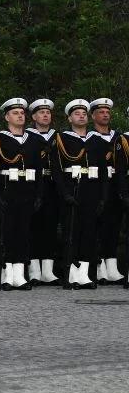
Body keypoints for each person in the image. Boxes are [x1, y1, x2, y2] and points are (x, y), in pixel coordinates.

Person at [0, 98, 43, 290]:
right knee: (6, 233)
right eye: (15, 113)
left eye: (22, 113)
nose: (20, 116)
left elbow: (39, 171)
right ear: (6, 117)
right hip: (7, 189)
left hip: (27, 189)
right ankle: (6, 273)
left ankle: (20, 273)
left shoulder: (34, 140)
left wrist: (38, 195)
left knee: (23, 233)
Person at [52, 99, 103, 289]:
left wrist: (103, 196)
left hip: (92, 188)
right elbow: (57, 170)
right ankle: (71, 273)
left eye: (83, 113)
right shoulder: (62, 139)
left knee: (89, 233)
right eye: (77, 113)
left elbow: (104, 171)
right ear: (69, 118)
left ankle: (85, 274)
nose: (81, 116)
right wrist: (64, 193)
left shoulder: (95, 139)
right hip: (72, 187)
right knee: (72, 231)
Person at [88, 97, 124, 285]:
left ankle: (112, 266)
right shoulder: (90, 137)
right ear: (93, 116)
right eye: (101, 112)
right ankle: (99, 266)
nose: (105, 115)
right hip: (97, 185)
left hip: (116, 185)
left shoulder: (119, 137)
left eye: (107, 112)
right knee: (97, 226)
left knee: (113, 226)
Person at [27, 99, 60, 285]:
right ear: (33, 116)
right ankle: (34, 270)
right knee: (33, 226)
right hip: (33, 184)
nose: (45, 115)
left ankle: (48, 271)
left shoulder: (58, 137)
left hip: (53, 185)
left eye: (48, 112)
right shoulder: (28, 136)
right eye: (41, 112)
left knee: (50, 226)